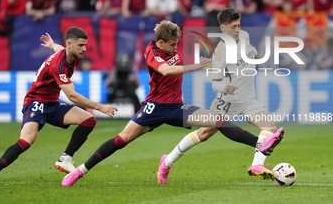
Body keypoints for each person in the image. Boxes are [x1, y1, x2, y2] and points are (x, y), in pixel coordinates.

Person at [61, 20, 283, 186]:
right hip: (154, 108)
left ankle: (260, 144)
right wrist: (195, 66)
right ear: (160, 43)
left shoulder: (167, 43)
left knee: (218, 121)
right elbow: (166, 71)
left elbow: (172, 45)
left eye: (177, 43)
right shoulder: (152, 52)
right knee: (122, 139)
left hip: (177, 108)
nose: (176, 48)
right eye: (172, 44)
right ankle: (80, 170)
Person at [156, 8, 285, 184]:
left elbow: (253, 52)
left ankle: (256, 165)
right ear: (223, 29)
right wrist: (225, 86)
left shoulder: (245, 36)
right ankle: (167, 161)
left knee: (269, 129)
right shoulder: (220, 52)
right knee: (204, 134)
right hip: (227, 102)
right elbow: (215, 82)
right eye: (233, 27)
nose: (237, 30)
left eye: (239, 25)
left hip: (248, 100)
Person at [0, 27, 117, 184]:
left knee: (88, 120)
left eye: (85, 45)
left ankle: (65, 159)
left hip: (52, 103)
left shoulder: (71, 53)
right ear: (70, 44)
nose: (84, 49)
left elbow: (60, 48)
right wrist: (100, 107)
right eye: (81, 45)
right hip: (36, 101)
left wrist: (52, 45)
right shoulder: (59, 65)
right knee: (26, 141)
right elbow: (72, 95)